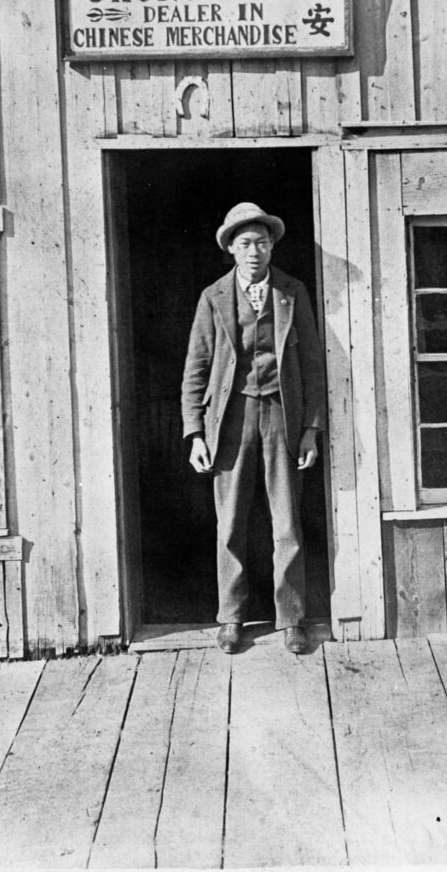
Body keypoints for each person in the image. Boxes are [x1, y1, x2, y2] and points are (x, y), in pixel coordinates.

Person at [181, 201, 326, 655]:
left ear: (271, 247)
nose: (254, 251)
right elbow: (196, 369)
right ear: (231, 249)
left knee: (286, 522)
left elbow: (313, 367)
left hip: (282, 414)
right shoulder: (213, 297)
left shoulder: (292, 292)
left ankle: (292, 619)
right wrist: (195, 433)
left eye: (261, 243)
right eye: (245, 243)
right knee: (231, 523)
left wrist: (310, 430)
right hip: (231, 418)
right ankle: (232, 618)